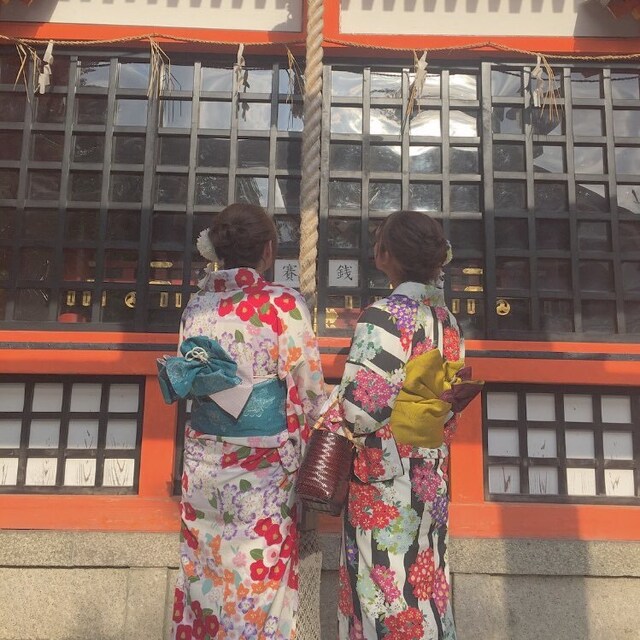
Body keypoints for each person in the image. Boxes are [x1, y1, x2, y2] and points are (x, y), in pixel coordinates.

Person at [161, 203, 327, 640]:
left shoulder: (197, 306)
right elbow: (309, 391)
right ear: (268, 250)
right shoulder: (282, 304)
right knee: (258, 579)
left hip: (204, 461)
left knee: (206, 572)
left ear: (216, 249)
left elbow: (189, 374)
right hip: (262, 467)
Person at [331, 210, 480, 640]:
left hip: (385, 475)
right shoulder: (447, 320)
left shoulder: (384, 316)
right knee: (424, 578)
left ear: (386, 256)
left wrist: (331, 404)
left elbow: (361, 410)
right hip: (429, 468)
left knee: (383, 584)